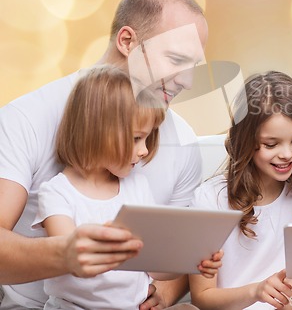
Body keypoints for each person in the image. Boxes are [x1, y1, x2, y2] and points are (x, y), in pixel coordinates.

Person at [0, 0, 209, 309]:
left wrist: (164, 295)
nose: (187, 81)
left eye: (193, 66)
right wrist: (65, 253)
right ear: (128, 41)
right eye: (176, 59)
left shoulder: (183, 141)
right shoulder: (25, 119)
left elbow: (173, 253)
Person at [32, 65, 221, 310]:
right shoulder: (57, 193)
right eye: (135, 138)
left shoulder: (137, 186)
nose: (143, 150)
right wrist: (117, 247)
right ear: (97, 131)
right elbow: (73, 262)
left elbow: (155, 268)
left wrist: (191, 262)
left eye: (147, 137)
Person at [189, 71, 292, 310]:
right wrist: (256, 291)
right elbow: (202, 296)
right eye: (271, 144)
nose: (287, 154)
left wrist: (289, 303)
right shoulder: (210, 200)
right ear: (245, 140)